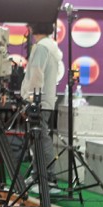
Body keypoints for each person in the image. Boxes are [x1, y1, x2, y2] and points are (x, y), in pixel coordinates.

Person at [19, 22, 62, 180]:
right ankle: (40, 175)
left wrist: (31, 100)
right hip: (44, 101)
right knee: (39, 139)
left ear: (32, 28)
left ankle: (48, 178)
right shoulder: (50, 46)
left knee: (41, 139)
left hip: (39, 102)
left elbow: (37, 75)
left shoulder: (42, 47)